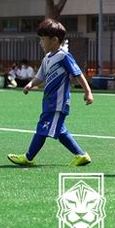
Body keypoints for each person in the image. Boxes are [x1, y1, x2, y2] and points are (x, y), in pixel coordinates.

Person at [8, 18, 94, 167]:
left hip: (58, 102)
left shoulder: (64, 56)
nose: (40, 42)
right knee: (60, 131)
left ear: (54, 40)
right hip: (49, 101)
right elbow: (40, 77)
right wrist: (30, 84)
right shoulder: (47, 58)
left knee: (42, 128)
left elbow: (78, 73)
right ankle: (81, 155)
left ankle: (28, 157)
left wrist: (88, 92)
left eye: (42, 39)